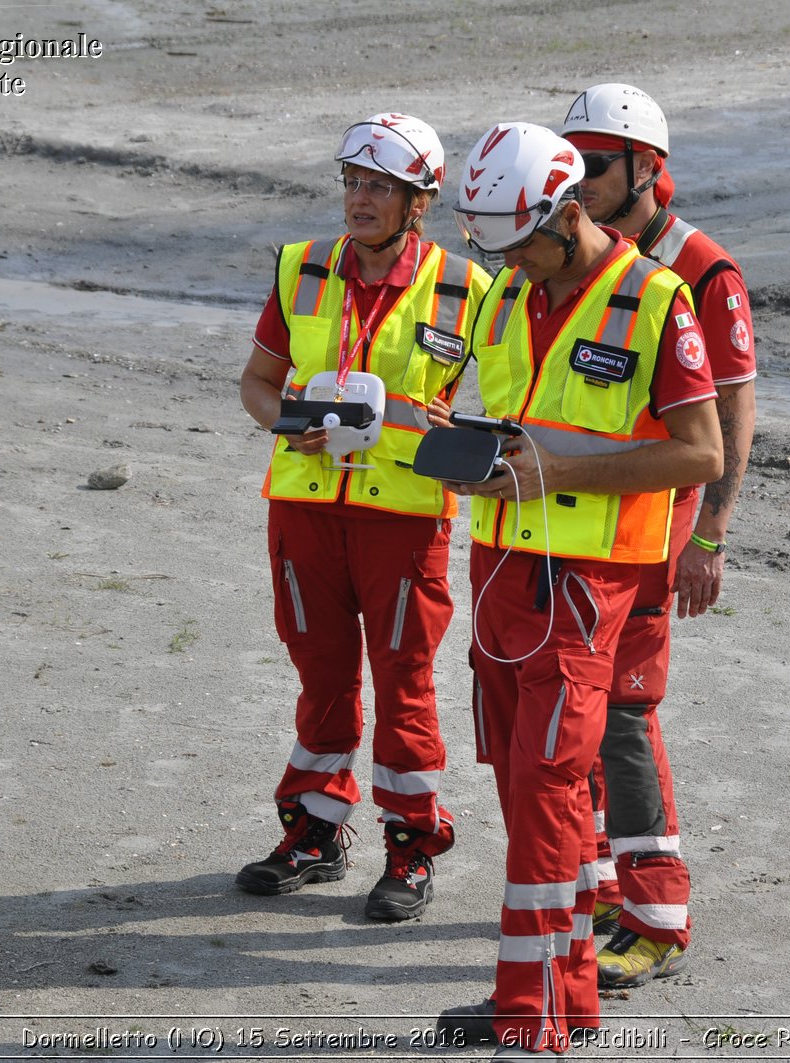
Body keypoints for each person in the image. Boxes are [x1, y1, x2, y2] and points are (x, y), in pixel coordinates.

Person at [435, 122, 722, 1057]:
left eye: (518, 239)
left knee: (552, 784)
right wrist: (463, 448)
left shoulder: (655, 300)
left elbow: (700, 451)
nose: (505, 259)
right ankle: (564, 1001)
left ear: (567, 211)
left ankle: (532, 1017)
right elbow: (497, 408)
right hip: (501, 568)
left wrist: (555, 473)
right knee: (521, 785)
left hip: (585, 584)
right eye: (492, 243)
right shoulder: (509, 288)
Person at [235, 112, 490, 921]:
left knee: (404, 683)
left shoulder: (468, 289)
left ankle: (412, 845)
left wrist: (454, 438)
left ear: (420, 201)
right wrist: (286, 423)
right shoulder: (300, 267)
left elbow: (518, 404)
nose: (358, 199)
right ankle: (314, 829)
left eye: (378, 186)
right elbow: (257, 383)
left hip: (406, 521)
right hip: (304, 509)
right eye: (351, 182)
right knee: (321, 675)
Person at [559, 82, 759, 988]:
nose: (579, 181)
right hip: (573, 528)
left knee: (626, 718)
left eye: (594, 165)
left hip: (652, 530)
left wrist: (709, 536)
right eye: (571, 163)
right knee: (580, 710)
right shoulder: (568, 245)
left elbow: (732, 408)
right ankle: (598, 880)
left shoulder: (702, 268)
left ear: (648, 167)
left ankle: (658, 914)